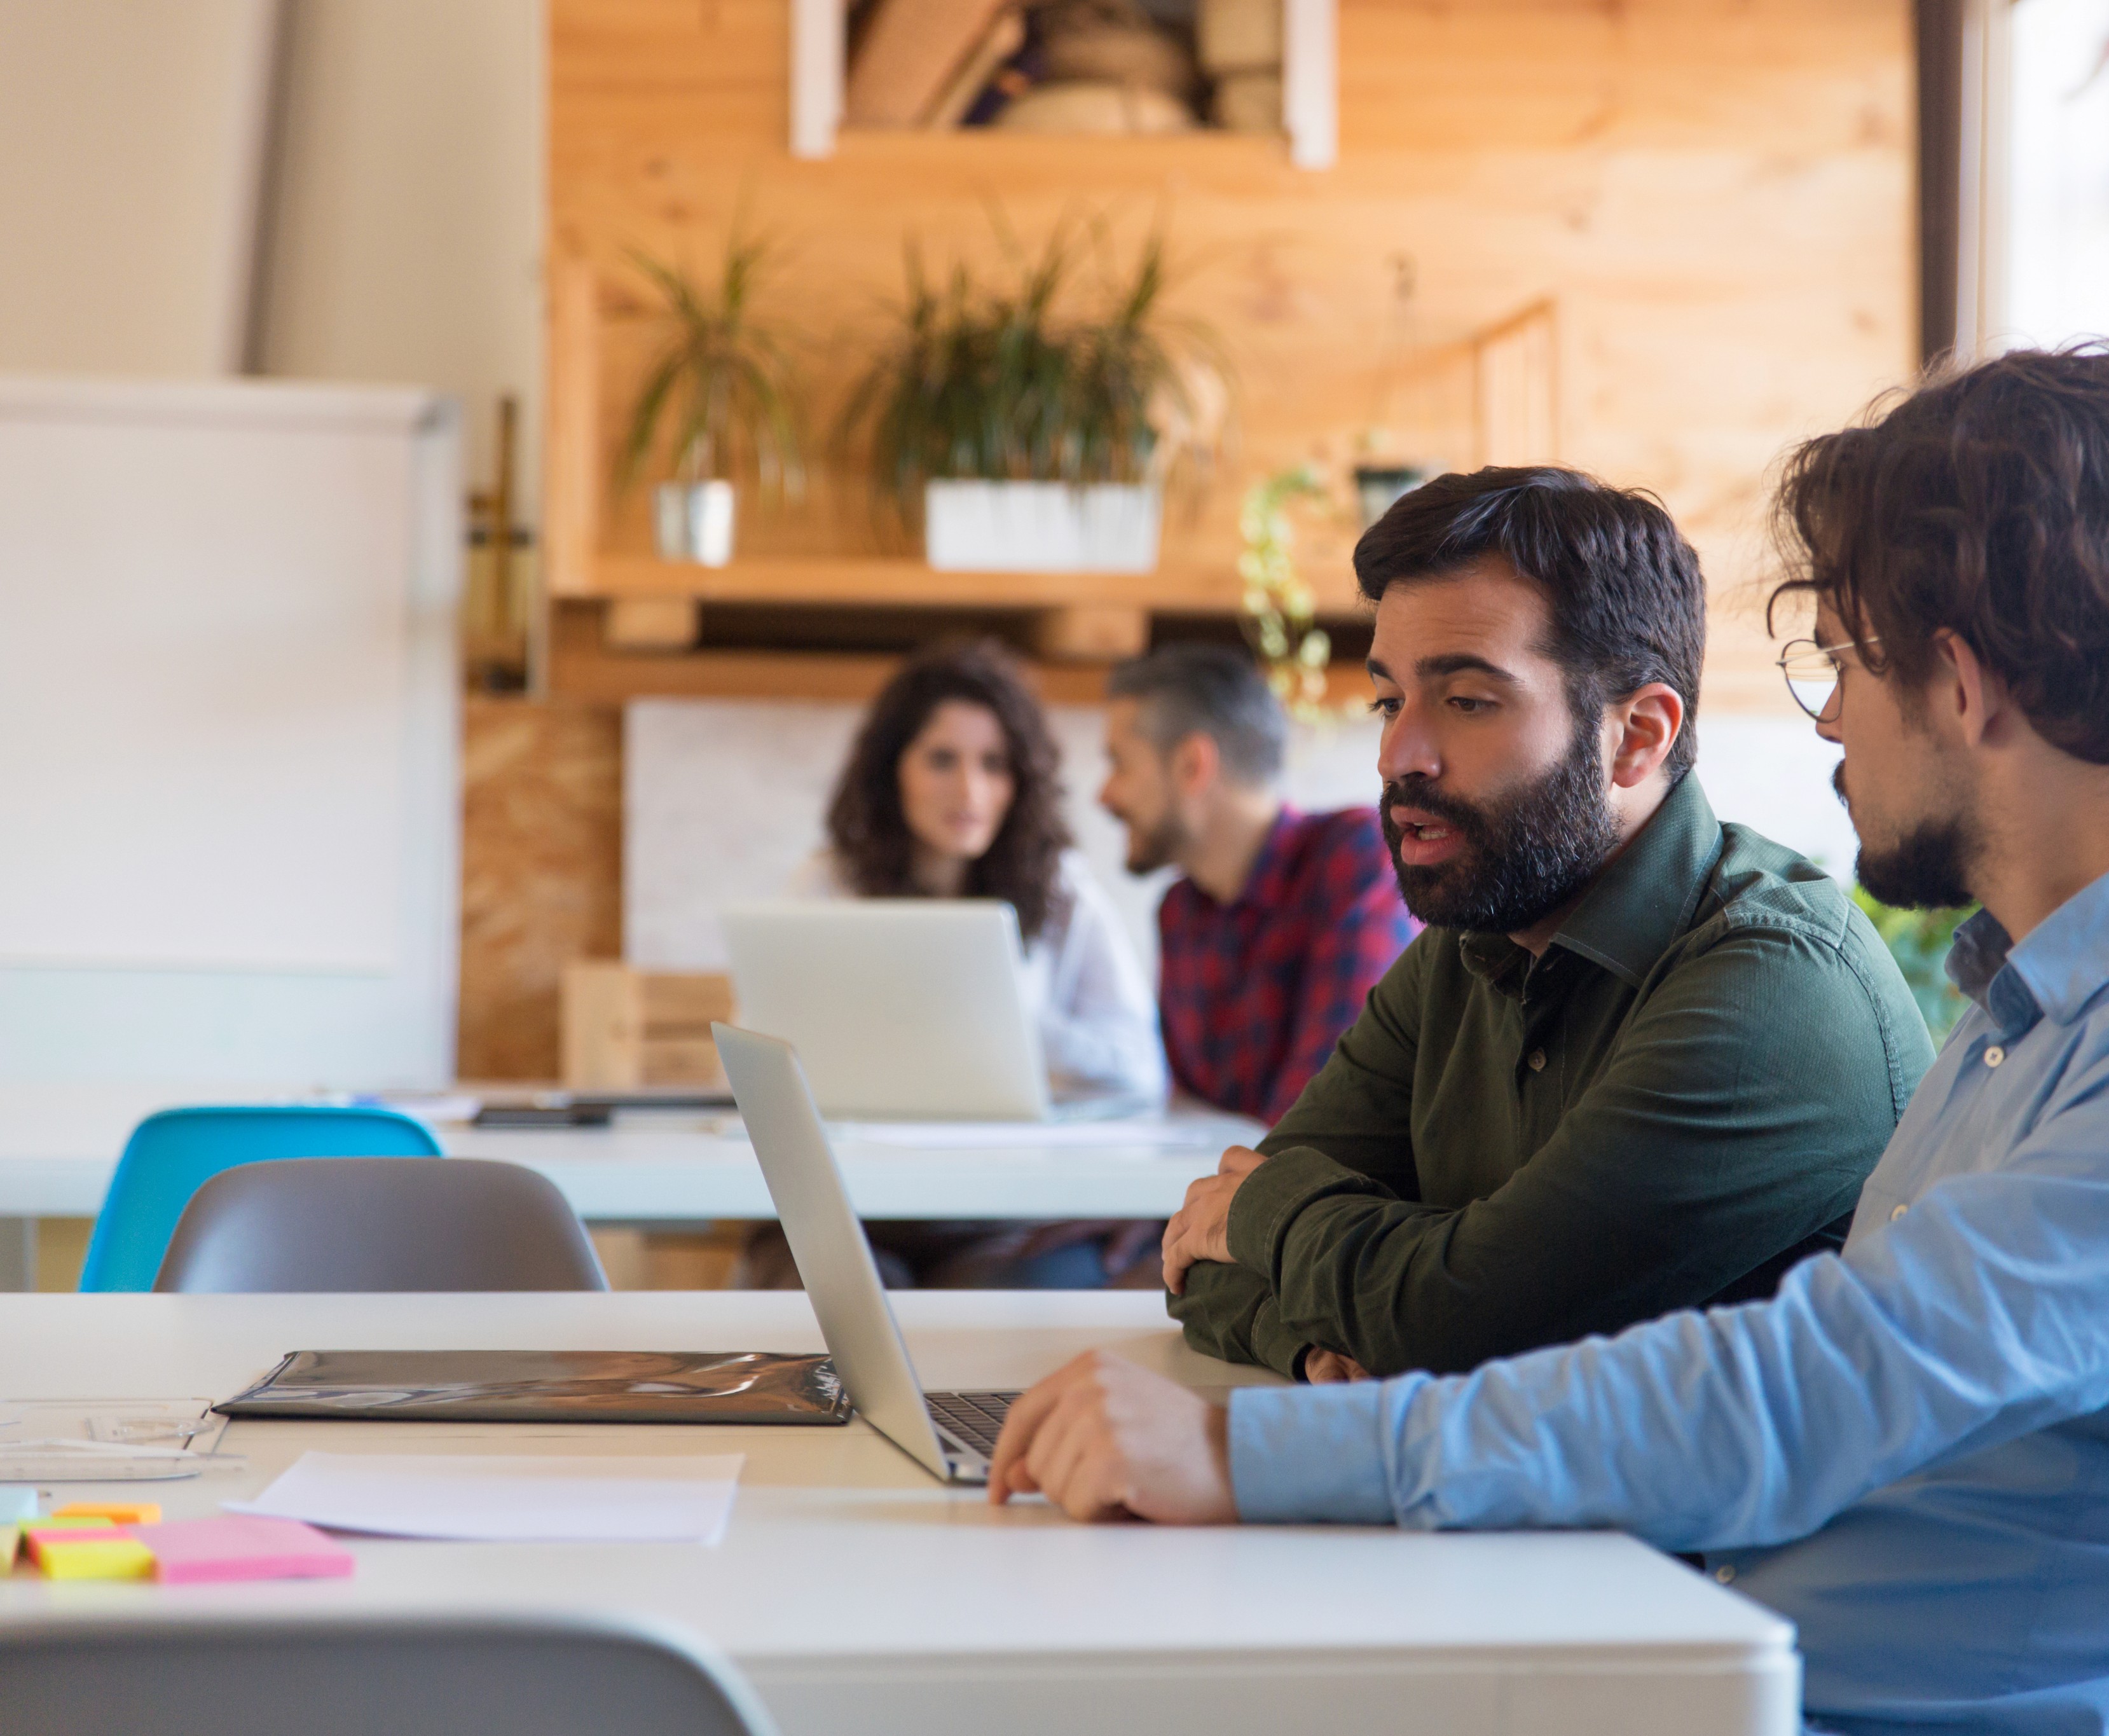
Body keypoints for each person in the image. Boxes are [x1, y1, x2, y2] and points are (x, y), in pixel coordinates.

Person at [983, 347, 2109, 1736]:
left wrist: (1252, 1453)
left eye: (1839, 666)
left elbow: (1813, 1385)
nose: (1827, 732)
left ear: (1961, 681)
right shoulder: (2043, 1015)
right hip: (1701, 1647)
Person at [1157, 468, 1932, 1382]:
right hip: (1507, 1515)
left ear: (1637, 736)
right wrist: (1315, 1338)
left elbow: (1473, 1321)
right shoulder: (1469, 944)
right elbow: (1197, 1259)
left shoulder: (1778, 983)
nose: (1397, 754)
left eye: (1468, 701)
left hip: (1704, 1531)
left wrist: (1270, 1219)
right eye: (1388, 699)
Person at [748, 638, 1164, 1289]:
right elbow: (766, 1053)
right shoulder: (829, 886)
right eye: (942, 760)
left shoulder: (1062, 892)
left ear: (1020, 779)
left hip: (1004, 1217)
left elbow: (1140, 1070)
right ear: (893, 770)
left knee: (1010, 1291)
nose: (969, 789)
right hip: (851, 1204)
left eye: (993, 764)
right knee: (825, 1287)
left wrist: (1014, 1022)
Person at [1097, 644, 1417, 1124]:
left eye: (1119, 764)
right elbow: (1192, 1120)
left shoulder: (1355, 860)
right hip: (1240, 1191)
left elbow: (1326, 1118)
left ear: (1192, 765)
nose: (1105, 795)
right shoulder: (1180, 911)